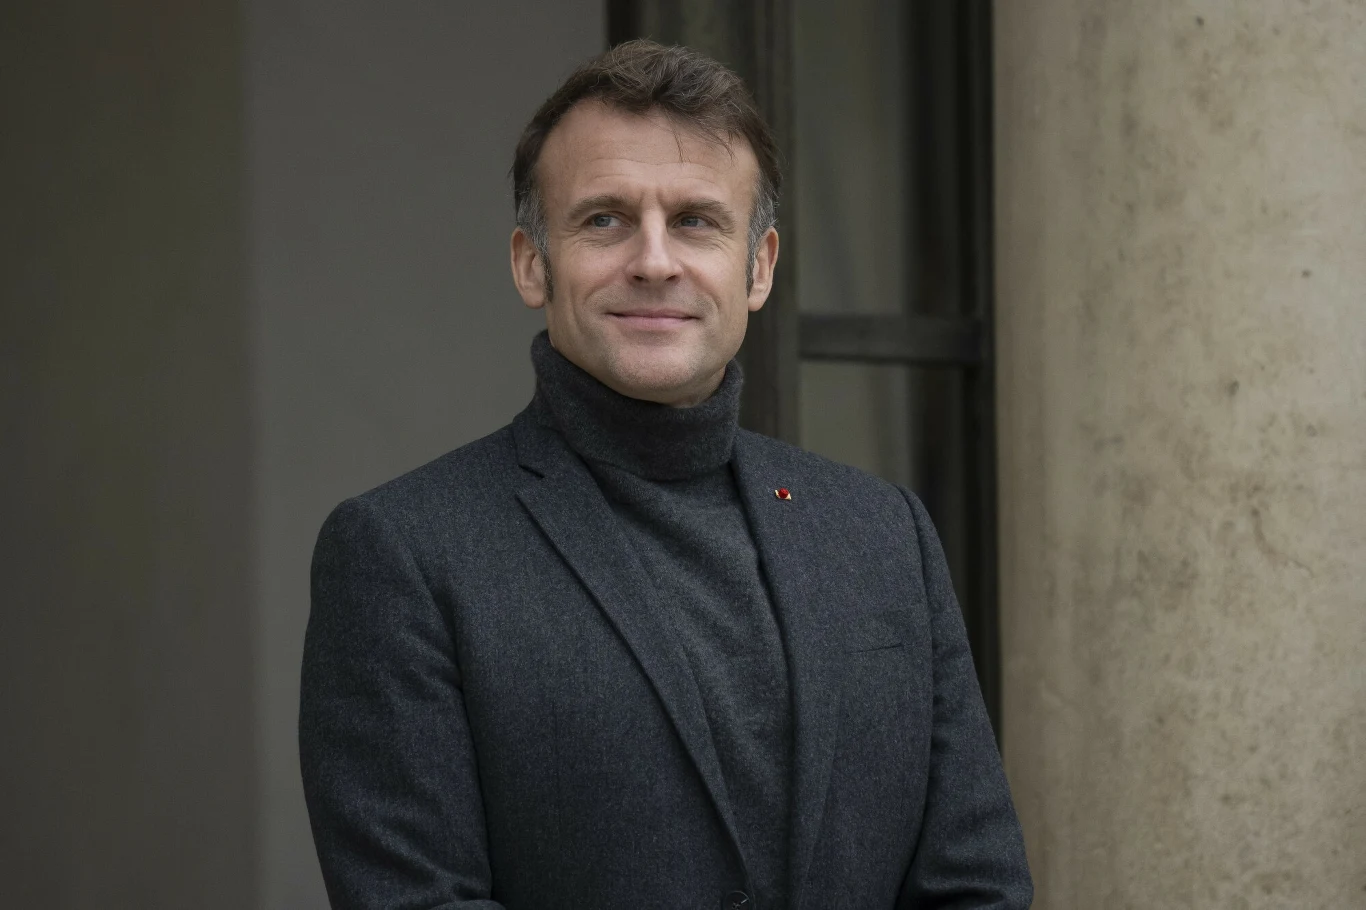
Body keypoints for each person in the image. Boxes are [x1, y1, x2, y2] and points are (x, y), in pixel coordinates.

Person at [300, 39, 1031, 910]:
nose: (654, 261)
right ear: (532, 264)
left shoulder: (884, 535)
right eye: (604, 220)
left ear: (758, 267)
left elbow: (976, 886)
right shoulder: (403, 555)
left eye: (695, 221)